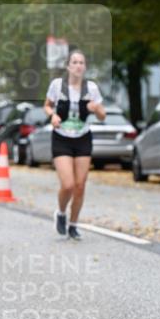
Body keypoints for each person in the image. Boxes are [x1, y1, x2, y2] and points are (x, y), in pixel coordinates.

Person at [42, 50, 106, 240]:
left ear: (84, 67)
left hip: (83, 137)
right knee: (68, 184)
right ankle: (61, 213)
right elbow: (47, 105)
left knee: (80, 185)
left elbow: (103, 116)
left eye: (81, 62)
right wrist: (52, 115)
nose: (78, 65)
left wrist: (97, 109)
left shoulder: (91, 88)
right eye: (75, 62)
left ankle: (73, 224)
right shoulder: (57, 85)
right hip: (61, 137)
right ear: (68, 66)